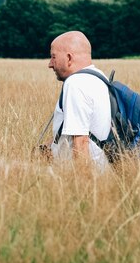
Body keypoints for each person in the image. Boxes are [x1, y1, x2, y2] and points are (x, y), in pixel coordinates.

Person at [45, 31, 111, 171]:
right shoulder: (99, 77)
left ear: (69, 58)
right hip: (102, 171)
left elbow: (81, 142)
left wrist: (81, 187)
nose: (50, 64)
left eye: (53, 57)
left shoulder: (75, 84)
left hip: (83, 175)